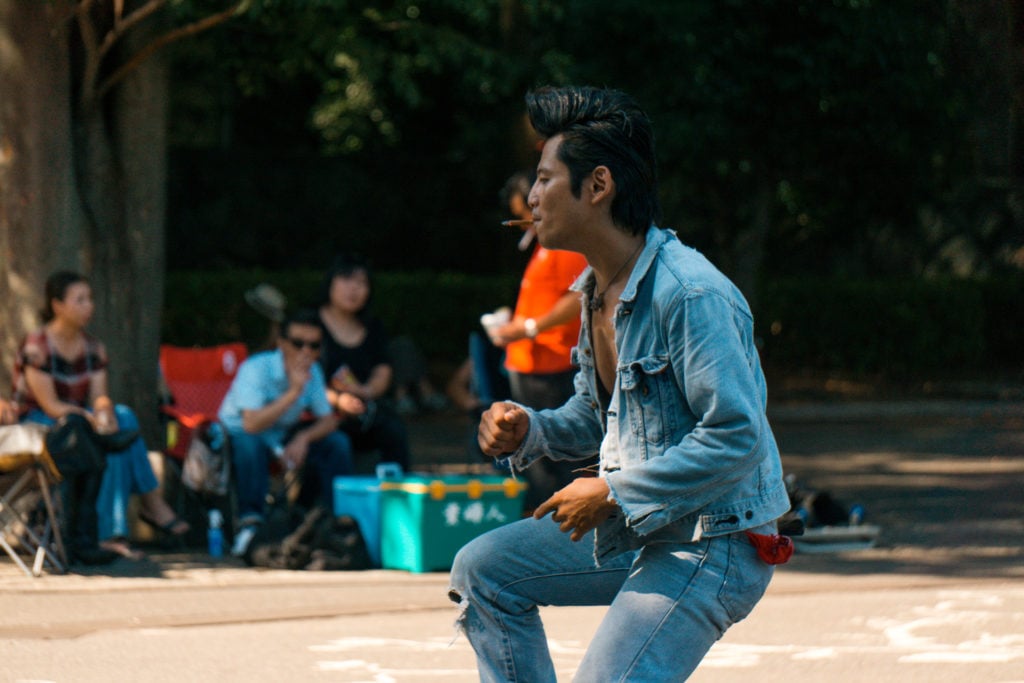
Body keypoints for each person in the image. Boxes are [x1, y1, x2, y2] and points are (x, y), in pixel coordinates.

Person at [449, 86, 791, 682]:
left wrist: (611, 493)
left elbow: (737, 435)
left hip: (717, 539)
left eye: (546, 178)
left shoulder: (690, 293)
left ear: (598, 186)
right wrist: (528, 427)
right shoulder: (596, 291)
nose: (531, 196)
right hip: (645, 524)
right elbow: (595, 412)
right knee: (483, 570)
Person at [13, 271, 189, 561]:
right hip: (41, 424)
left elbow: (99, 395)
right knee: (102, 439)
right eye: (79, 300)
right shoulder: (37, 346)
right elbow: (50, 405)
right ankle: (145, 510)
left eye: (90, 299)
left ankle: (112, 532)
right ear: (57, 305)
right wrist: (89, 419)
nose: (89, 306)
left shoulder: (93, 347)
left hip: (78, 425)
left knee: (123, 419)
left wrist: (104, 411)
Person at [489, 170, 594, 512]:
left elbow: (576, 295)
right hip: (532, 363)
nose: (525, 219)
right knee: (539, 458)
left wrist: (529, 328)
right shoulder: (544, 244)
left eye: (527, 210)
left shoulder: (562, 244)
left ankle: (556, 530)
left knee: (554, 459)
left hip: (551, 364)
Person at [217, 308, 356, 556]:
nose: (306, 352)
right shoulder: (256, 369)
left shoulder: (312, 372)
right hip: (236, 435)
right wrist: (293, 391)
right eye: (298, 343)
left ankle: (327, 519)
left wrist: (303, 438)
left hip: (280, 434)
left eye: (313, 345)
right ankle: (250, 524)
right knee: (250, 442)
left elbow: (327, 420)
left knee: (336, 443)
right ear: (281, 343)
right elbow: (251, 424)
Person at [316, 253, 411, 472]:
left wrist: (364, 391)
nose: (354, 289)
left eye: (361, 283)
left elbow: (382, 369)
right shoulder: (310, 324)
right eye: (347, 280)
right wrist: (338, 400)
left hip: (365, 410)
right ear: (331, 281)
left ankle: (397, 496)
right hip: (321, 410)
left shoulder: (373, 327)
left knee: (393, 430)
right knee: (335, 440)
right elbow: (302, 376)